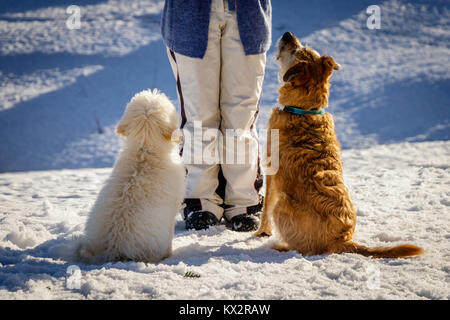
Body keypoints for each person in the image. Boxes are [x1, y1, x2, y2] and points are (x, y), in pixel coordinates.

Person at [161, 0, 272, 231]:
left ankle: (243, 201)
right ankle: (201, 200)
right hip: (190, 16)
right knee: (199, 117)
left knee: (240, 118)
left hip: (248, 13)